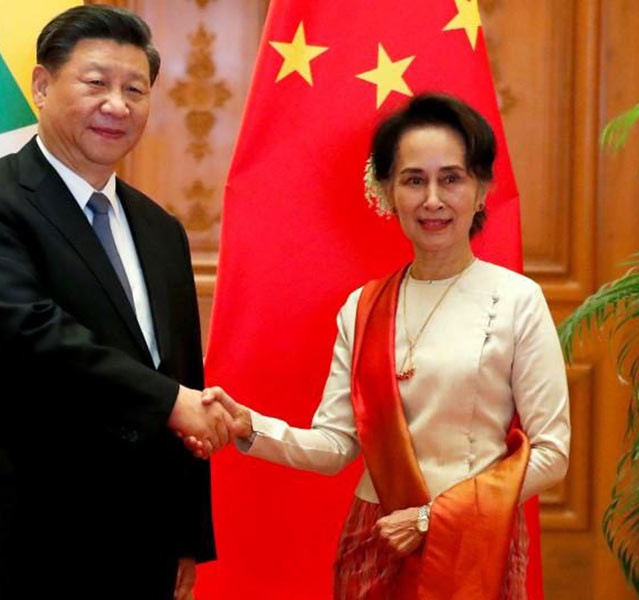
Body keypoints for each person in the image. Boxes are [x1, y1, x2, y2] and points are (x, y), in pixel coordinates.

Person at [0, 6, 232, 599]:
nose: (118, 105)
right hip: (26, 539)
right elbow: (31, 339)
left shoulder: (161, 230)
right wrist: (171, 402)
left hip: (142, 545)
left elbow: (182, 373)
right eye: (96, 83)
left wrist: (187, 535)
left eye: (135, 89)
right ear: (41, 85)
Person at [199, 93, 571, 599]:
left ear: (482, 190)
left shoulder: (516, 300)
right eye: (414, 180)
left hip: (474, 541)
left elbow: (551, 454)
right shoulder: (364, 307)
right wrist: (251, 426)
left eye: (452, 179)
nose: (432, 199)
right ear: (387, 191)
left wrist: (431, 518)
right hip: (378, 539)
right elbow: (336, 447)